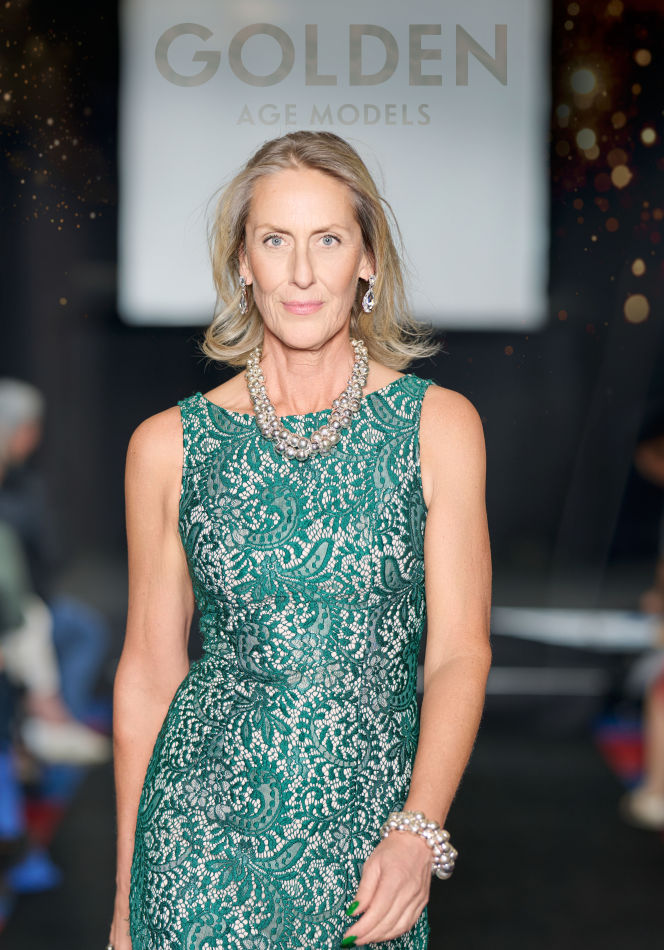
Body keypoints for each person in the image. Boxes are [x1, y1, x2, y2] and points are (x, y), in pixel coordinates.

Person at [109, 130, 492, 949]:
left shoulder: (438, 427)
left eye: (329, 240)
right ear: (243, 263)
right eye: (275, 241)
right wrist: (123, 905)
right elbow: (148, 673)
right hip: (195, 854)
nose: (303, 272)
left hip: (369, 856)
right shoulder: (168, 446)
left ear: (369, 261)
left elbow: (460, 652)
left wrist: (419, 831)